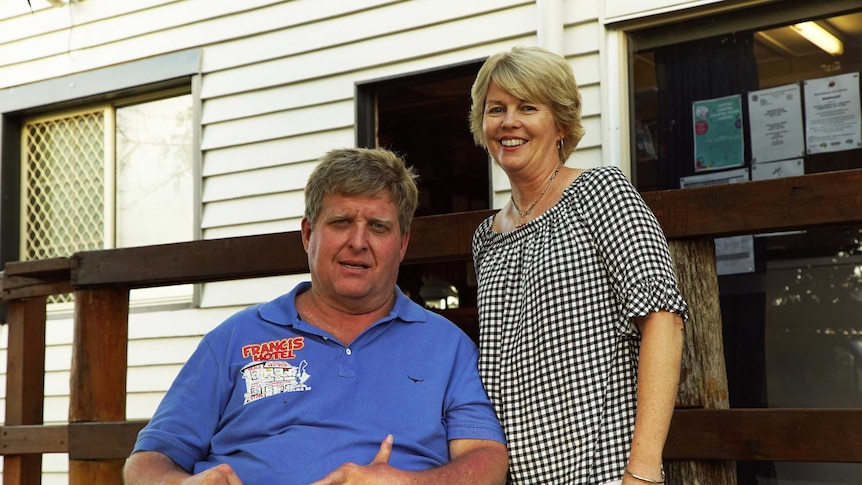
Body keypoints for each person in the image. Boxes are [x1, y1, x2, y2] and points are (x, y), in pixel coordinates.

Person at [123, 147, 509, 485]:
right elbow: (148, 461)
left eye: (378, 227)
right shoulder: (234, 338)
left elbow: (486, 459)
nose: (358, 242)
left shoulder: (446, 346)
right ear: (308, 234)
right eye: (341, 222)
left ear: (403, 243)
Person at [468, 46, 688, 485]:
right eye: (497, 109)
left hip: (604, 469)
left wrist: (642, 471)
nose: (509, 122)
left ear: (561, 123)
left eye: (527, 107)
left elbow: (663, 319)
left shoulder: (600, 192)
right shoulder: (486, 238)